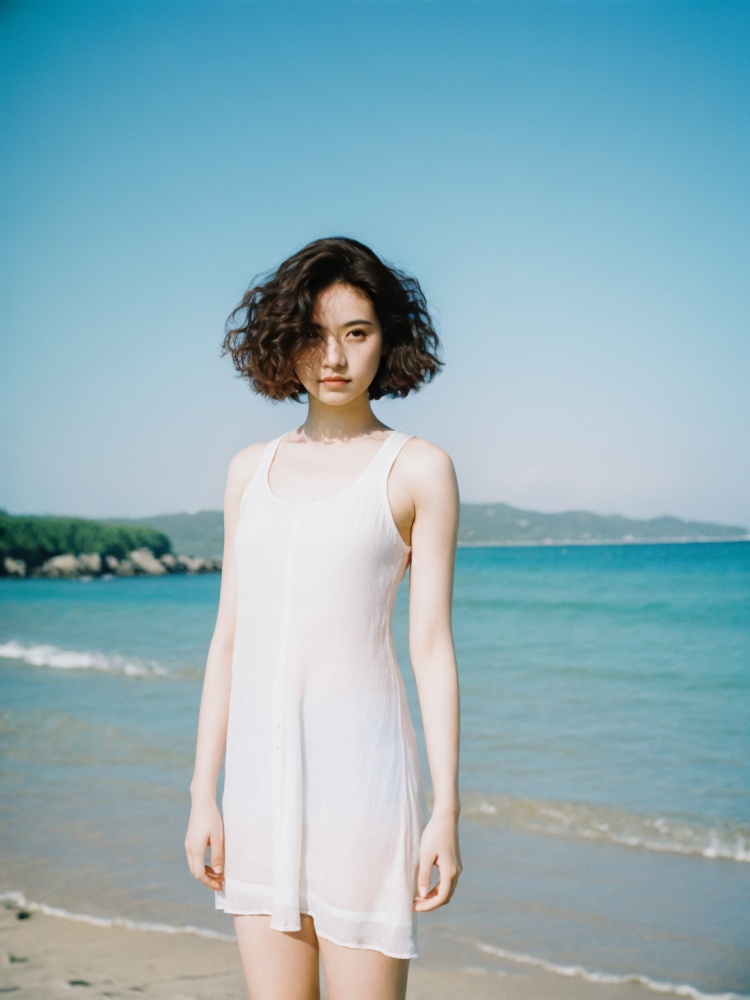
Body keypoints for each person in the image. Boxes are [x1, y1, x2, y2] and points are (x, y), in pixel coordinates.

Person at [185, 236, 462, 1000]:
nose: (334, 357)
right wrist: (202, 793)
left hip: (365, 791)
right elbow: (228, 641)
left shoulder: (417, 468)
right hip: (256, 790)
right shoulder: (250, 470)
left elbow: (431, 648)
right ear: (282, 340)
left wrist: (447, 812)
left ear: (387, 339)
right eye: (313, 333)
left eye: (356, 333)